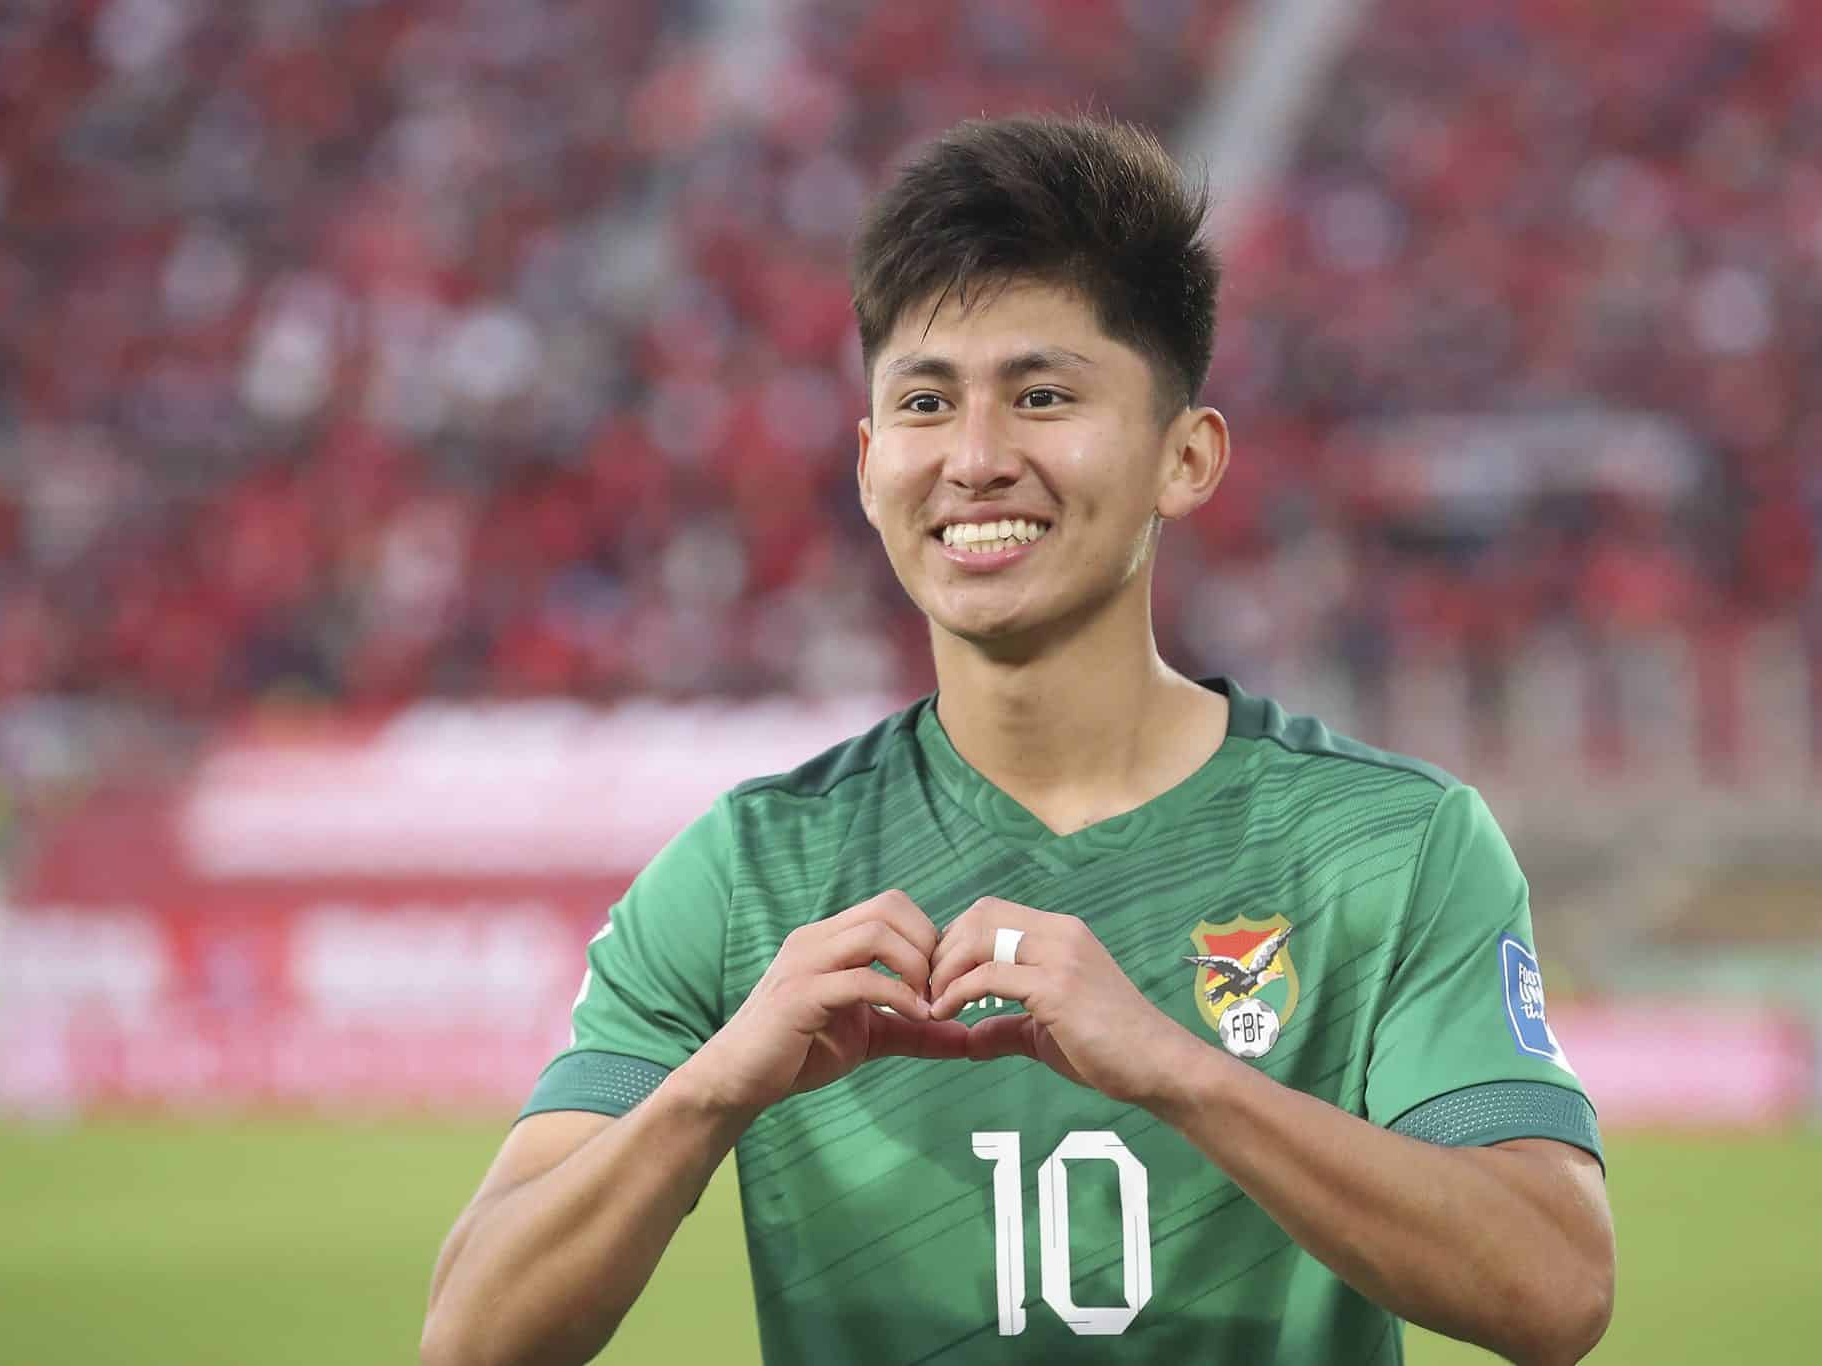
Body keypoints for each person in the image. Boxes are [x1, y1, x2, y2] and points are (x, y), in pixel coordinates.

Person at [421, 114, 1614, 1366]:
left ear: (1184, 455)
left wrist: (1174, 1067)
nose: (978, 460)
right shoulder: (746, 873)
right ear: (873, 462)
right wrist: (715, 1087)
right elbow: (470, 1336)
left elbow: (1552, 1284)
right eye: (926, 403)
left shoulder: (1386, 845)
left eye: (1043, 395)